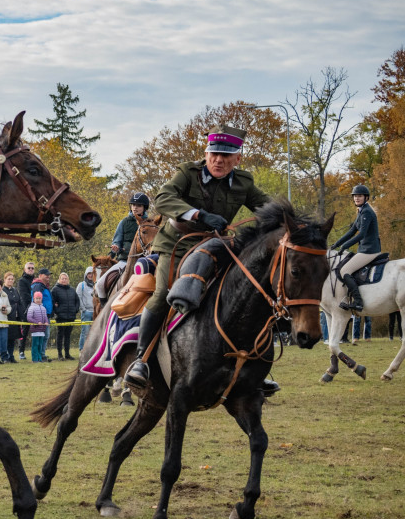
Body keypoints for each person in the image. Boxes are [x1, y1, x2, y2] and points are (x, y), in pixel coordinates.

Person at [123, 125, 275, 392]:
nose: (218, 160)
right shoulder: (187, 172)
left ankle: (252, 368)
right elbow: (163, 198)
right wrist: (199, 215)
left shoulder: (244, 181)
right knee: (163, 293)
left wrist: (291, 222)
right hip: (177, 245)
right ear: (206, 154)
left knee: (245, 292)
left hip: (217, 246)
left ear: (237, 159)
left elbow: (268, 208)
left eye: (226, 156)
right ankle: (141, 360)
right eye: (214, 154)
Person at [332, 185, 381, 312]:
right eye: (355, 196)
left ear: (366, 197)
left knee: (345, 271)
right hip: (364, 249)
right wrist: (337, 244)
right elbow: (352, 231)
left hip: (370, 250)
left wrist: (345, 246)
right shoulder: (361, 211)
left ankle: (358, 302)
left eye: (359, 196)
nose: (357, 198)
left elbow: (361, 234)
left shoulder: (367, 212)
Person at [97, 192, 152, 304]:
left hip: (145, 262)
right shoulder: (124, 222)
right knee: (100, 285)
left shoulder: (150, 223)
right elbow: (117, 240)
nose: (135, 208)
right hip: (124, 261)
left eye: (139, 205)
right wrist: (116, 247)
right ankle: (104, 309)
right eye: (133, 205)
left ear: (144, 208)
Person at [51, 272, 79, 360]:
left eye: (65, 278)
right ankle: (60, 354)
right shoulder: (55, 290)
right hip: (60, 317)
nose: (64, 280)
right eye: (62, 278)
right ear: (59, 279)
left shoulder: (72, 290)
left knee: (68, 336)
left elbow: (77, 301)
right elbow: (52, 302)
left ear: (68, 280)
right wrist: (57, 311)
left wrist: (75, 310)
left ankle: (67, 354)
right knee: (60, 336)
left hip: (71, 316)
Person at [31, 269, 53, 361]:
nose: (48, 276)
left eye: (49, 275)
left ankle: (42, 354)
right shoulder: (38, 286)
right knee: (41, 336)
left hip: (46, 315)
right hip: (40, 316)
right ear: (40, 275)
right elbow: (36, 300)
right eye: (46, 275)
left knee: (45, 335)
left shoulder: (45, 286)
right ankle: (39, 355)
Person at [17, 262, 36, 359]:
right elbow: (24, 296)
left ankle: (37, 352)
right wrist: (31, 307)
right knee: (24, 331)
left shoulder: (36, 281)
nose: (31, 269)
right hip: (26, 309)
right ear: (25, 269)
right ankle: (21, 351)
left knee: (38, 331)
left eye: (32, 268)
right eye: (29, 268)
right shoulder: (22, 281)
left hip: (37, 308)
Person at [3, 272, 23, 363]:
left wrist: (21, 315)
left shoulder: (15, 290)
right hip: (6, 317)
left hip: (15, 317)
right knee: (5, 338)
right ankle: (5, 356)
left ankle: (11, 356)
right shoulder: (2, 290)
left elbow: (19, 302)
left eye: (12, 279)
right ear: (5, 280)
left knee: (12, 338)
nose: (10, 280)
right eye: (9, 279)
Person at [26, 292, 49, 363]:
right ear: (34, 298)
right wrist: (36, 322)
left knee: (40, 345)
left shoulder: (43, 308)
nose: (38, 300)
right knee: (35, 345)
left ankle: (40, 358)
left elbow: (45, 317)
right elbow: (29, 317)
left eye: (39, 298)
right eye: (37, 298)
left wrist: (46, 322)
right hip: (35, 330)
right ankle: (35, 359)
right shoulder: (31, 307)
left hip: (42, 330)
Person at [76, 266, 95, 351]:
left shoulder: (97, 284)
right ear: (86, 275)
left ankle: (92, 350)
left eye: (92, 273)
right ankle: (82, 349)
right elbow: (78, 297)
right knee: (85, 332)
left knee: (95, 332)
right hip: (86, 312)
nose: (90, 275)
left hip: (95, 312)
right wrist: (83, 309)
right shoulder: (81, 285)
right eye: (89, 273)